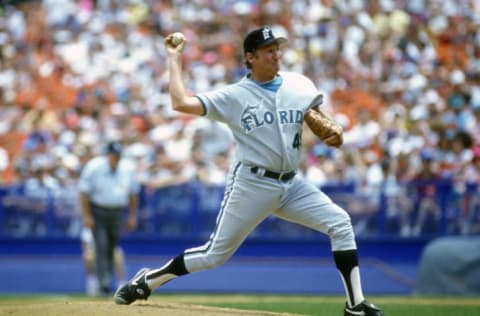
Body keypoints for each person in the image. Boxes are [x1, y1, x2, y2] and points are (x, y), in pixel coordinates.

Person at [114, 26, 385, 316]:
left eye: (277, 49)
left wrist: (334, 132)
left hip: (292, 184)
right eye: (269, 51)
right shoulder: (235, 96)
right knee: (213, 255)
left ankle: (355, 305)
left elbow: (329, 128)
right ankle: (148, 280)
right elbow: (180, 102)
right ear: (251, 57)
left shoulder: (300, 84)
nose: (276, 55)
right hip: (252, 184)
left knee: (340, 223)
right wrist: (173, 58)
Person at [80, 141, 139, 296]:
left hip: (117, 212)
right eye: (113, 155)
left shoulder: (128, 168)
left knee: (112, 246)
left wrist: (132, 215)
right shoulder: (94, 166)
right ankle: (104, 284)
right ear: (107, 155)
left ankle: (107, 282)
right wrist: (87, 215)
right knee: (101, 245)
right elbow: (83, 193)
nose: (116, 158)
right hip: (98, 211)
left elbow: (133, 194)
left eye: (118, 156)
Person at [81, 227, 126, 296]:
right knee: (87, 255)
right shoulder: (87, 231)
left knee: (118, 253)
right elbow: (86, 248)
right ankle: (92, 283)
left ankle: (122, 285)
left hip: (107, 252)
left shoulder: (107, 226)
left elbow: (113, 245)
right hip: (95, 253)